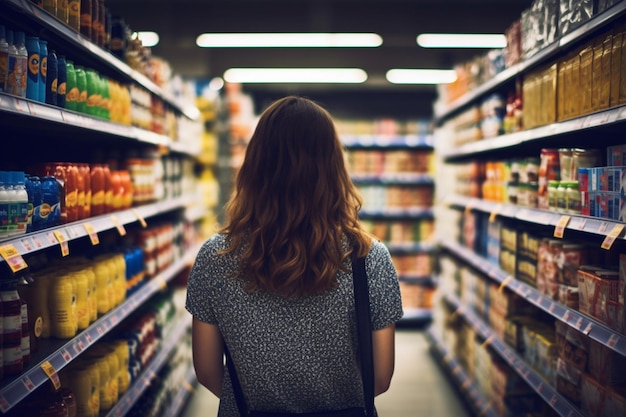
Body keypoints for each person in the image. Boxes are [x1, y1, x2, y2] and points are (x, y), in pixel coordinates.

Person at [185, 95, 403, 416]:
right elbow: (381, 377)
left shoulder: (215, 257)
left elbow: (206, 370)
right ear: (333, 167)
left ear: (255, 165)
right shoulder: (368, 257)